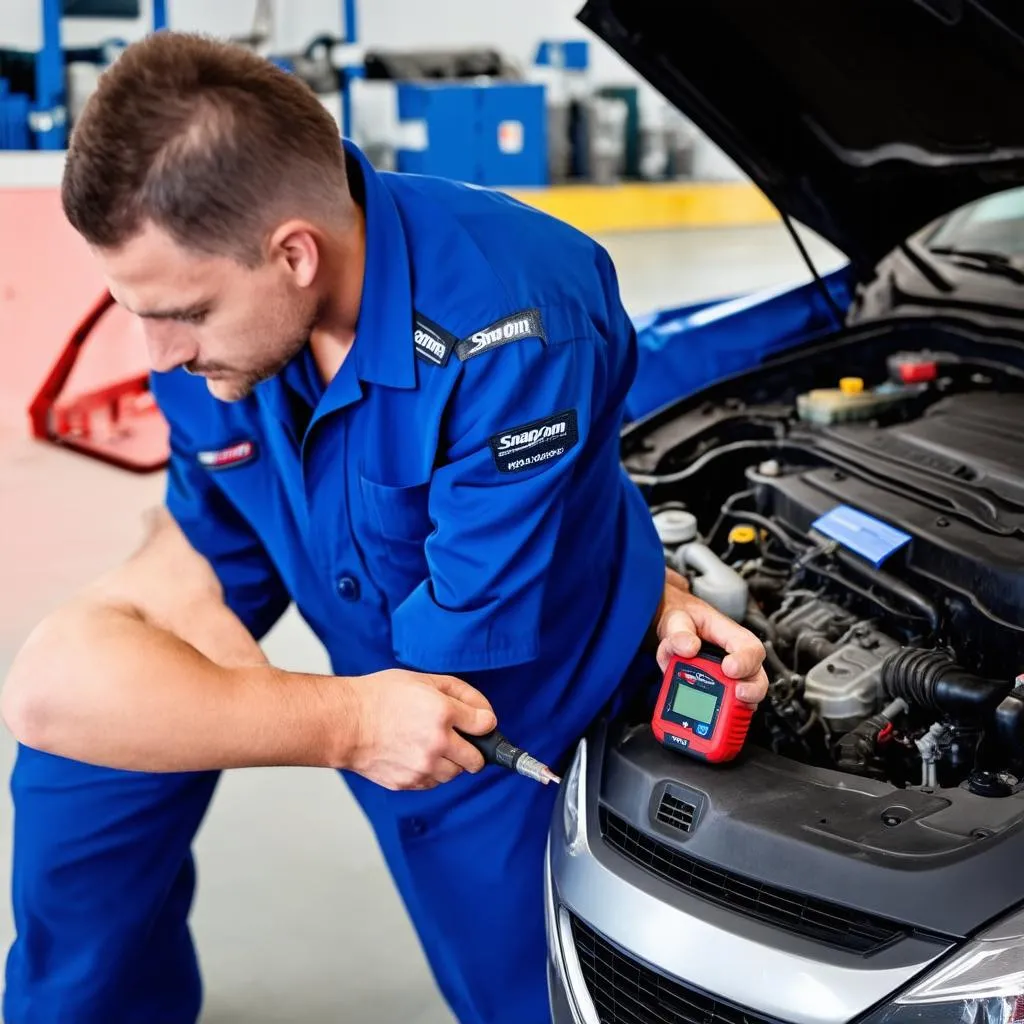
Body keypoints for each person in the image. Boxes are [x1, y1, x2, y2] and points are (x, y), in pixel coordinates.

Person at [0, 31, 768, 1024]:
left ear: (292, 252)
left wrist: (329, 718)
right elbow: (208, 518)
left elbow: (436, 691)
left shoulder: (513, 324)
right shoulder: (218, 326)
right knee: (83, 771)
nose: (157, 355)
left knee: (523, 986)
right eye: (134, 311)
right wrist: (224, 674)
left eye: (183, 311)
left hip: (495, 699)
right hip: (313, 564)